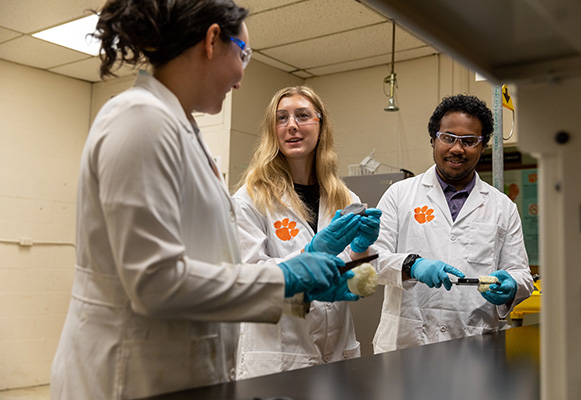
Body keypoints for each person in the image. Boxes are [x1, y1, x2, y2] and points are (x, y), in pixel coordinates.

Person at [50, 2, 353, 399]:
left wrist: (296, 292)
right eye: (243, 55)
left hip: (178, 372)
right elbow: (154, 282)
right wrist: (286, 277)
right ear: (212, 41)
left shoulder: (183, 131)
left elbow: (210, 270)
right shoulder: (140, 121)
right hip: (128, 379)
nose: (242, 76)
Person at [233, 86, 382, 379]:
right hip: (279, 355)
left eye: (302, 116)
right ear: (271, 130)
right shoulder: (250, 197)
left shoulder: (345, 197)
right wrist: (312, 254)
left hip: (338, 351)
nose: (291, 126)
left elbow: (361, 281)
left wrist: (362, 248)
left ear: (321, 125)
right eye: (281, 118)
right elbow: (248, 279)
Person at [372, 94, 534, 353]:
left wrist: (512, 285)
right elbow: (371, 259)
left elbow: (521, 273)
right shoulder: (399, 195)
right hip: (408, 344)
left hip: (474, 345)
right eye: (448, 138)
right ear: (433, 139)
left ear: (483, 147)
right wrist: (412, 265)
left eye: (469, 141)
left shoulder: (503, 207)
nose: (457, 149)